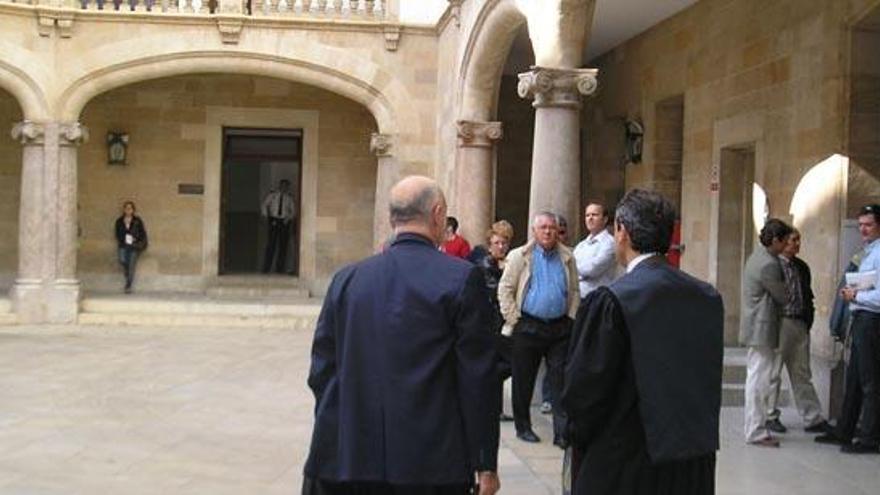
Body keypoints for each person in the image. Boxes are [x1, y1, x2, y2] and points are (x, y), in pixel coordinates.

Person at [303, 176, 501, 495]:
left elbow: (322, 370)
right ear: (438, 214)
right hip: (431, 464)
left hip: (349, 459)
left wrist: (341, 429)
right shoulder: (462, 279)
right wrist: (484, 462)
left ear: (392, 217)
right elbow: (477, 379)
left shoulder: (347, 279)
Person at [560, 189, 722, 495]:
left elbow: (583, 392)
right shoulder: (706, 296)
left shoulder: (612, 300)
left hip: (626, 461)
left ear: (621, 231)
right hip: (691, 461)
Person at [498, 212, 579, 447]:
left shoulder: (568, 257)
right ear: (534, 231)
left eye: (551, 228)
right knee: (523, 379)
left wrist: (571, 317)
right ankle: (523, 427)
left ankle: (561, 433)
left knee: (560, 380)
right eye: (542, 227)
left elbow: (574, 289)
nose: (547, 232)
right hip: (528, 325)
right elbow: (505, 289)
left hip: (559, 328)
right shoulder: (519, 256)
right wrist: (514, 318)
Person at [816, 204, 880, 454]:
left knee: (870, 381)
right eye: (861, 224)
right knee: (853, 378)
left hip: (872, 320)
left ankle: (870, 437)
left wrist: (856, 296)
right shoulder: (867, 251)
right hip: (861, 319)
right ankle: (845, 429)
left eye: (868, 224)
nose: (863, 229)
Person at [765, 228, 832, 435]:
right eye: (793, 240)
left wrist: (808, 319)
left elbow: (807, 294)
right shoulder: (772, 265)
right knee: (774, 372)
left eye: (798, 240)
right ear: (783, 242)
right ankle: (770, 415)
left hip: (799, 324)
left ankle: (812, 417)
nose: (796, 244)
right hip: (780, 322)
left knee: (802, 372)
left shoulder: (801, 266)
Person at [740, 218, 792, 447]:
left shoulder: (757, 256)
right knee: (760, 380)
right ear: (776, 240)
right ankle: (756, 430)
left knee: (757, 377)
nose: (786, 246)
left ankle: (754, 427)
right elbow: (783, 296)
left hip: (756, 325)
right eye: (784, 241)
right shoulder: (769, 264)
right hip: (762, 327)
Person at [474, 220, 515, 422]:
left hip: (503, 323)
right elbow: (495, 290)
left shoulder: (507, 264)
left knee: (505, 364)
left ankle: (494, 408)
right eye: (497, 243)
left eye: (504, 243)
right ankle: (490, 406)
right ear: (490, 244)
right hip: (490, 322)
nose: (501, 247)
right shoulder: (484, 265)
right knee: (498, 365)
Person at [573, 202, 617, 299]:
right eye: (587, 215)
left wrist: (576, 271)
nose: (590, 218)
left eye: (594, 215)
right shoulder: (581, 245)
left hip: (598, 300)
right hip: (578, 299)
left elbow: (592, 269)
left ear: (605, 219)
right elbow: (569, 268)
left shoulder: (610, 243)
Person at [261, 179, 296, 274]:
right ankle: (266, 268)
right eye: (282, 185)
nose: (284, 188)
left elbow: (293, 212)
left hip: (284, 222)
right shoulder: (272, 195)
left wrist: (287, 219)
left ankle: (279, 269)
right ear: (279, 186)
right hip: (273, 221)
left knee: (283, 246)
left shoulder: (289, 198)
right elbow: (265, 205)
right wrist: (267, 217)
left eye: (286, 186)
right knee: (271, 245)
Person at [114, 200, 148, 294]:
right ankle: (127, 273)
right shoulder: (119, 221)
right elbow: (117, 232)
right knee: (122, 260)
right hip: (123, 245)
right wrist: (123, 239)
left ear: (133, 210)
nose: (128, 210)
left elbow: (142, 232)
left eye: (130, 208)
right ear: (124, 210)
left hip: (134, 246)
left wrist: (135, 239)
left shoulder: (137, 220)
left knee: (132, 265)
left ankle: (128, 285)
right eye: (126, 208)